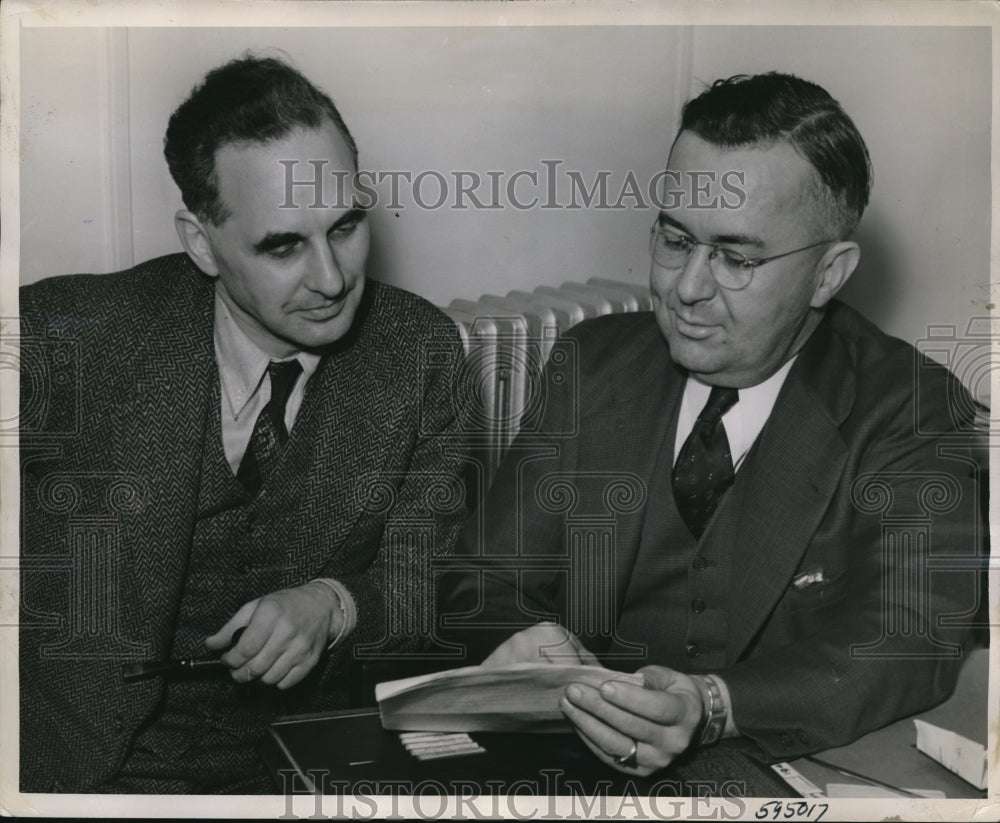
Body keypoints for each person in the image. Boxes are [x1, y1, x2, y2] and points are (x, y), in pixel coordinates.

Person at [439, 72, 986, 778]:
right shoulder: (591, 364)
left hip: (766, 768)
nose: (687, 287)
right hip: (563, 760)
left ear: (828, 274)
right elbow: (478, 576)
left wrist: (714, 704)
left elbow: (913, 637)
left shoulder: (911, 405)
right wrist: (522, 641)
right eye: (675, 239)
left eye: (734, 257)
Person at [19, 55, 468, 793]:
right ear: (201, 242)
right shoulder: (67, 338)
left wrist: (335, 602)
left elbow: (431, 577)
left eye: (346, 226)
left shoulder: (421, 352)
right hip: (93, 771)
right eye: (283, 244)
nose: (331, 279)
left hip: (312, 764)